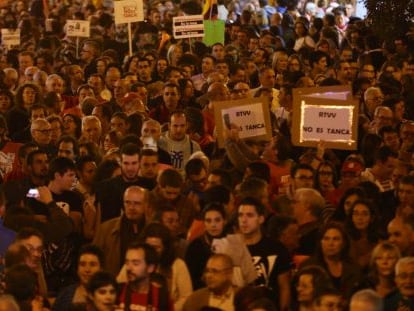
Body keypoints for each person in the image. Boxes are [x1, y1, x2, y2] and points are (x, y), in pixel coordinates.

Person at [118, 222, 193, 310]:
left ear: (165, 248)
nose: (151, 251)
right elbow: (119, 286)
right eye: (148, 246)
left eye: (156, 247)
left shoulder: (178, 265)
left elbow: (187, 297)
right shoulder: (131, 264)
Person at [237, 197, 291, 311]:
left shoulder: (276, 249)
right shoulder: (231, 249)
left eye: (249, 215)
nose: (244, 220)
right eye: (240, 215)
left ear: (261, 219)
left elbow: (284, 287)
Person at [93, 186, 148, 275]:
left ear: (146, 205)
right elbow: (94, 259)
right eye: (127, 203)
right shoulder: (106, 229)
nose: (131, 207)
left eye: (137, 203)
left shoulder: (153, 230)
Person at [301, 222, 361, 298]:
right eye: (326, 239)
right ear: (320, 242)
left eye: (336, 239)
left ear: (343, 243)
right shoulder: (308, 266)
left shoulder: (354, 267)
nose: (330, 243)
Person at [118, 242, 173, 310]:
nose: (128, 268)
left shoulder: (161, 297)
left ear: (150, 268)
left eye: (135, 263)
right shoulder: (118, 291)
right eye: (127, 263)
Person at [52, 245, 104, 311]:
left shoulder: (109, 294)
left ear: (101, 269)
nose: (87, 270)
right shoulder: (65, 294)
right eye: (82, 264)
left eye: (92, 264)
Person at [158, 110, 201, 175]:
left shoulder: (194, 146)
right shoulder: (159, 143)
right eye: (175, 126)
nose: (179, 130)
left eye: (182, 126)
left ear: (187, 126)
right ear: (169, 126)